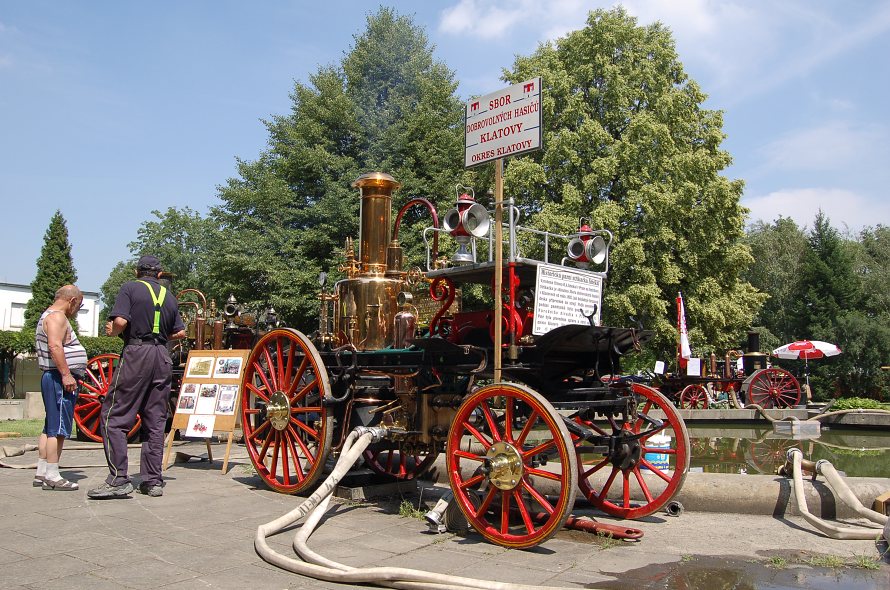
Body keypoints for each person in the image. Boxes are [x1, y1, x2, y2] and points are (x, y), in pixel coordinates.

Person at [88, 255, 186, 499]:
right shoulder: (170, 297)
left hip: (136, 355)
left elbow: (120, 321)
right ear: (160, 275)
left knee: (114, 417)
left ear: (136, 271)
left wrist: (113, 331)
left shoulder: (129, 288)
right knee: (155, 422)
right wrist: (161, 339)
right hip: (161, 356)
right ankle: (152, 481)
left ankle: (119, 478)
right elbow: (182, 332)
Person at [34, 284, 88, 490]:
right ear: (72, 301)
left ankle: (41, 471)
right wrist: (66, 375)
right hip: (59, 378)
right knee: (58, 429)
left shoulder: (48, 315)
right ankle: (53, 475)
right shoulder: (57, 317)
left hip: (54, 376)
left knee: (50, 426)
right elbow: (55, 346)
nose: (76, 311)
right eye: (79, 305)